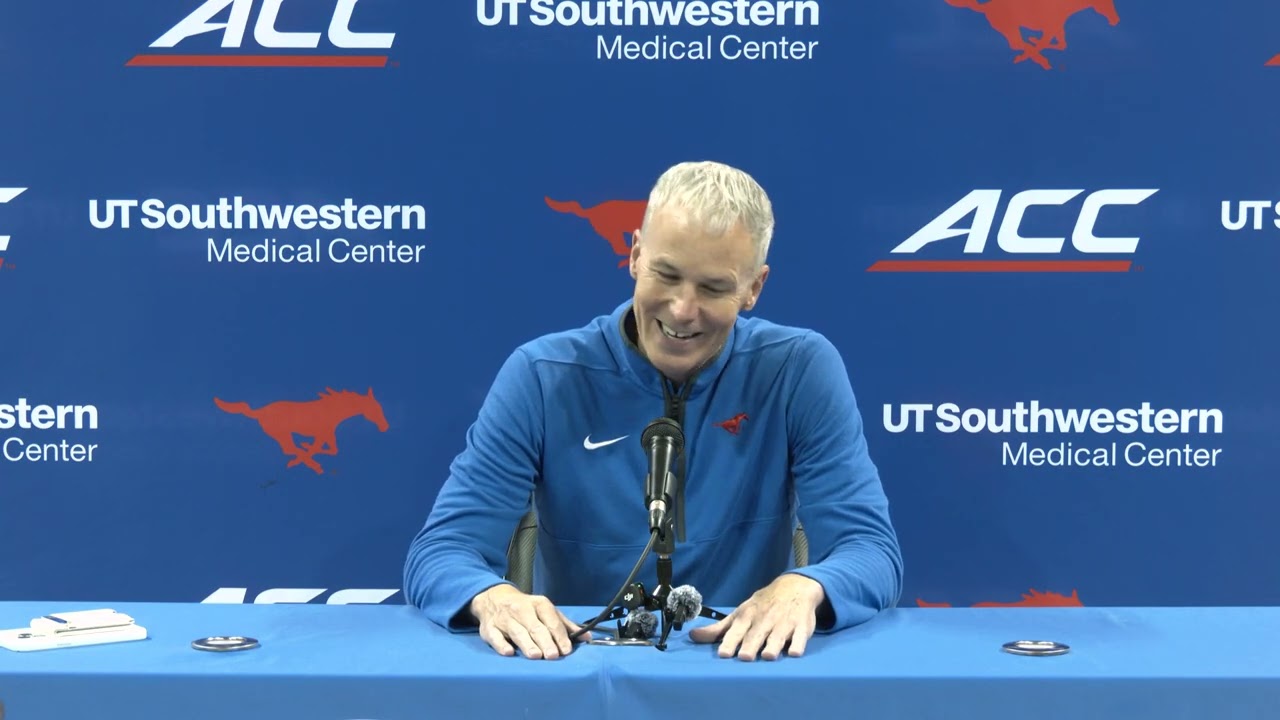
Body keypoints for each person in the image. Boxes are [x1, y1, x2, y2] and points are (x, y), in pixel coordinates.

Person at [403, 160, 903, 662]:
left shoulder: (798, 369)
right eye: (666, 274)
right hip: (582, 676)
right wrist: (493, 597)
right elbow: (442, 551)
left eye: (713, 288)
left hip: (744, 672)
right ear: (636, 255)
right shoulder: (542, 374)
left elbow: (871, 551)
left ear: (754, 288)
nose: (683, 310)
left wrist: (805, 587)